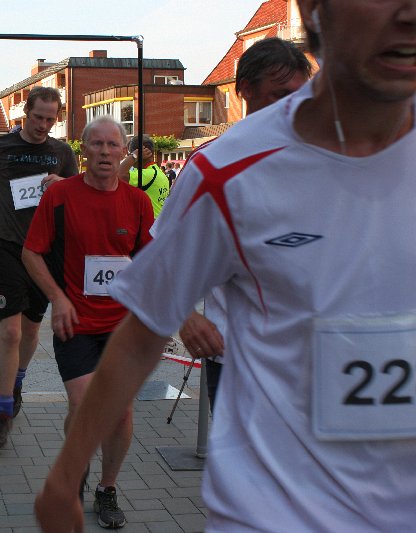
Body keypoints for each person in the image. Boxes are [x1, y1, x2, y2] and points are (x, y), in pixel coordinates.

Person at [36, 1, 416, 530]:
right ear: (313, 10)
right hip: (278, 511)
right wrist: (63, 477)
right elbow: (143, 335)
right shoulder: (226, 170)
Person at [23, 117, 153, 529]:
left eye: (113, 145)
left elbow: (149, 260)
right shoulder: (60, 196)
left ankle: (107, 488)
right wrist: (57, 298)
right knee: (83, 406)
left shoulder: (138, 202)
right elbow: (31, 253)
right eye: (96, 144)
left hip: (121, 327)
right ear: (83, 150)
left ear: (124, 152)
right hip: (75, 320)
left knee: (121, 413)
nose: (105, 152)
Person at [179, 37, 312, 409]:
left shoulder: (324, 161)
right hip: (236, 357)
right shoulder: (211, 164)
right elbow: (166, 255)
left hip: (314, 356)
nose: (292, 107)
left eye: (301, 96)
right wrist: (186, 316)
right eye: (280, 95)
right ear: (245, 91)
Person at [0, 86, 78, 448]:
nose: (43, 125)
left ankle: (17, 381)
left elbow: (82, 193)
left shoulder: (61, 152)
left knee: (31, 332)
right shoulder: (0, 147)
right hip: (9, 246)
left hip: (46, 252)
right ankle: (3, 412)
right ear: (25, 114)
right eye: (38, 117)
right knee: (11, 333)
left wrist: (64, 185)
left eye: (50, 119)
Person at [117, 135, 169, 218]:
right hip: (156, 221)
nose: (129, 156)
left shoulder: (149, 174)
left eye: (131, 153)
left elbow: (118, 175)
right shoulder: (157, 171)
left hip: (148, 222)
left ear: (142, 153)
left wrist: (133, 156)